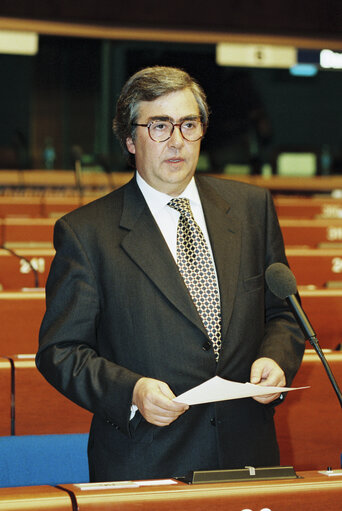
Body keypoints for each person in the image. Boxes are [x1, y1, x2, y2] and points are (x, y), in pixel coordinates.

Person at [36, 66, 305, 482]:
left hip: (248, 452)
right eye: (160, 126)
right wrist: (132, 392)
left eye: (189, 124)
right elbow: (61, 351)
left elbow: (284, 315)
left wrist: (276, 358)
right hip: (147, 459)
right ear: (130, 139)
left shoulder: (252, 209)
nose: (177, 140)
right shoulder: (86, 233)